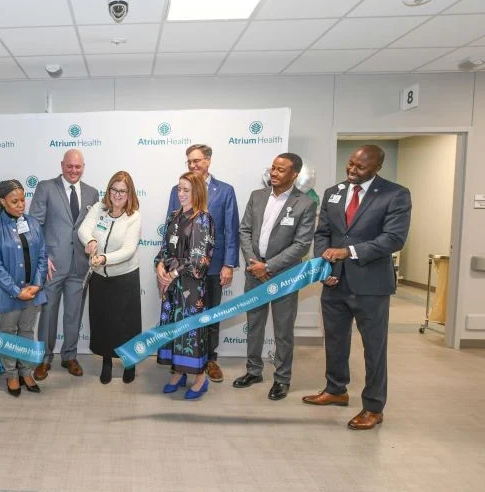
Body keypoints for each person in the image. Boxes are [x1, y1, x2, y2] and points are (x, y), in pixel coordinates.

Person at [303, 145, 411, 430]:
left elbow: (393, 239)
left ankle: (374, 407)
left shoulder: (395, 194)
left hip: (371, 285)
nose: (352, 170)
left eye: (360, 167)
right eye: (350, 164)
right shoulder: (333, 192)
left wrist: (348, 252)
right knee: (336, 341)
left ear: (377, 167)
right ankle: (336, 389)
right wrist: (325, 266)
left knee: (374, 349)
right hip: (335, 281)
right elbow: (323, 233)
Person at [233, 153, 317, 401]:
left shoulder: (305, 204)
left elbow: (302, 245)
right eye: (273, 168)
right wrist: (254, 263)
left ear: (294, 175)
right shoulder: (257, 197)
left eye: (281, 170)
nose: (274, 173)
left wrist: (268, 266)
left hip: (284, 276)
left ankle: (282, 379)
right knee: (255, 326)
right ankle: (253, 371)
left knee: (283, 331)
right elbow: (244, 230)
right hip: (253, 273)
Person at [165, 144, 239, 383]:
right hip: (181, 269)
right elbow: (170, 229)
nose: (193, 165)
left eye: (197, 160)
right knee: (183, 315)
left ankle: (210, 358)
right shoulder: (177, 191)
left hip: (213, 265)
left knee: (211, 313)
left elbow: (231, 230)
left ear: (208, 160)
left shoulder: (225, 191)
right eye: (189, 161)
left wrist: (228, 264)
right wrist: (167, 265)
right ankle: (183, 359)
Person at [29, 149, 100, 379]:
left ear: (83, 167)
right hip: (52, 265)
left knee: (73, 314)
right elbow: (34, 226)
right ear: (62, 165)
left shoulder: (92, 193)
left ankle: (69, 356)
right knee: (48, 312)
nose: (73, 170)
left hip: (80, 265)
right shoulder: (45, 187)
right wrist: (43, 258)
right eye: (70, 166)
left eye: (78, 167)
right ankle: (44, 359)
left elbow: (95, 227)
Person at [77, 171, 143, 384]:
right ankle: (106, 362)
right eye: (114, 189)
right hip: (99, 277)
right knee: (103, 322)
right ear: (108, 190)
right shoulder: (99, 208)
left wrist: (104, 258)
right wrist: (90, 240)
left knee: (126, 324)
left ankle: (129, 362)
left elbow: (128, 249)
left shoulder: (134, 216)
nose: (117, 194)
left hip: (124, 278)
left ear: (129, 193)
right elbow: (84, 229)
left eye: (122, 191)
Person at [0, 180, 47, 397]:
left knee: (27, 332)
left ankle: (26, 372)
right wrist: (16, 290)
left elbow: (42, 256)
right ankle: (11, 375)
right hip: (8, 293)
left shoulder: (33, 223)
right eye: (14, 201)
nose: (21, 205)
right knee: (9, 333)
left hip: (33, 292)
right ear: (2, 201)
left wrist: (37, 284)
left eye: (22, 199)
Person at [157, 171, 215, 400]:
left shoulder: (203, 219)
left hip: (190, 286)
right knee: (172, 328)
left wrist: (173, 274)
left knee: (191, 330)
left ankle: (200, 379)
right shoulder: (173, 216)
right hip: (170, 286)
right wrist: (160, 266)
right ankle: (178, 372)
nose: (181, 194)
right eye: (179, 189)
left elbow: (200, 259)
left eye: (186, 190)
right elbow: (164, 248)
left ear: (197, 191)